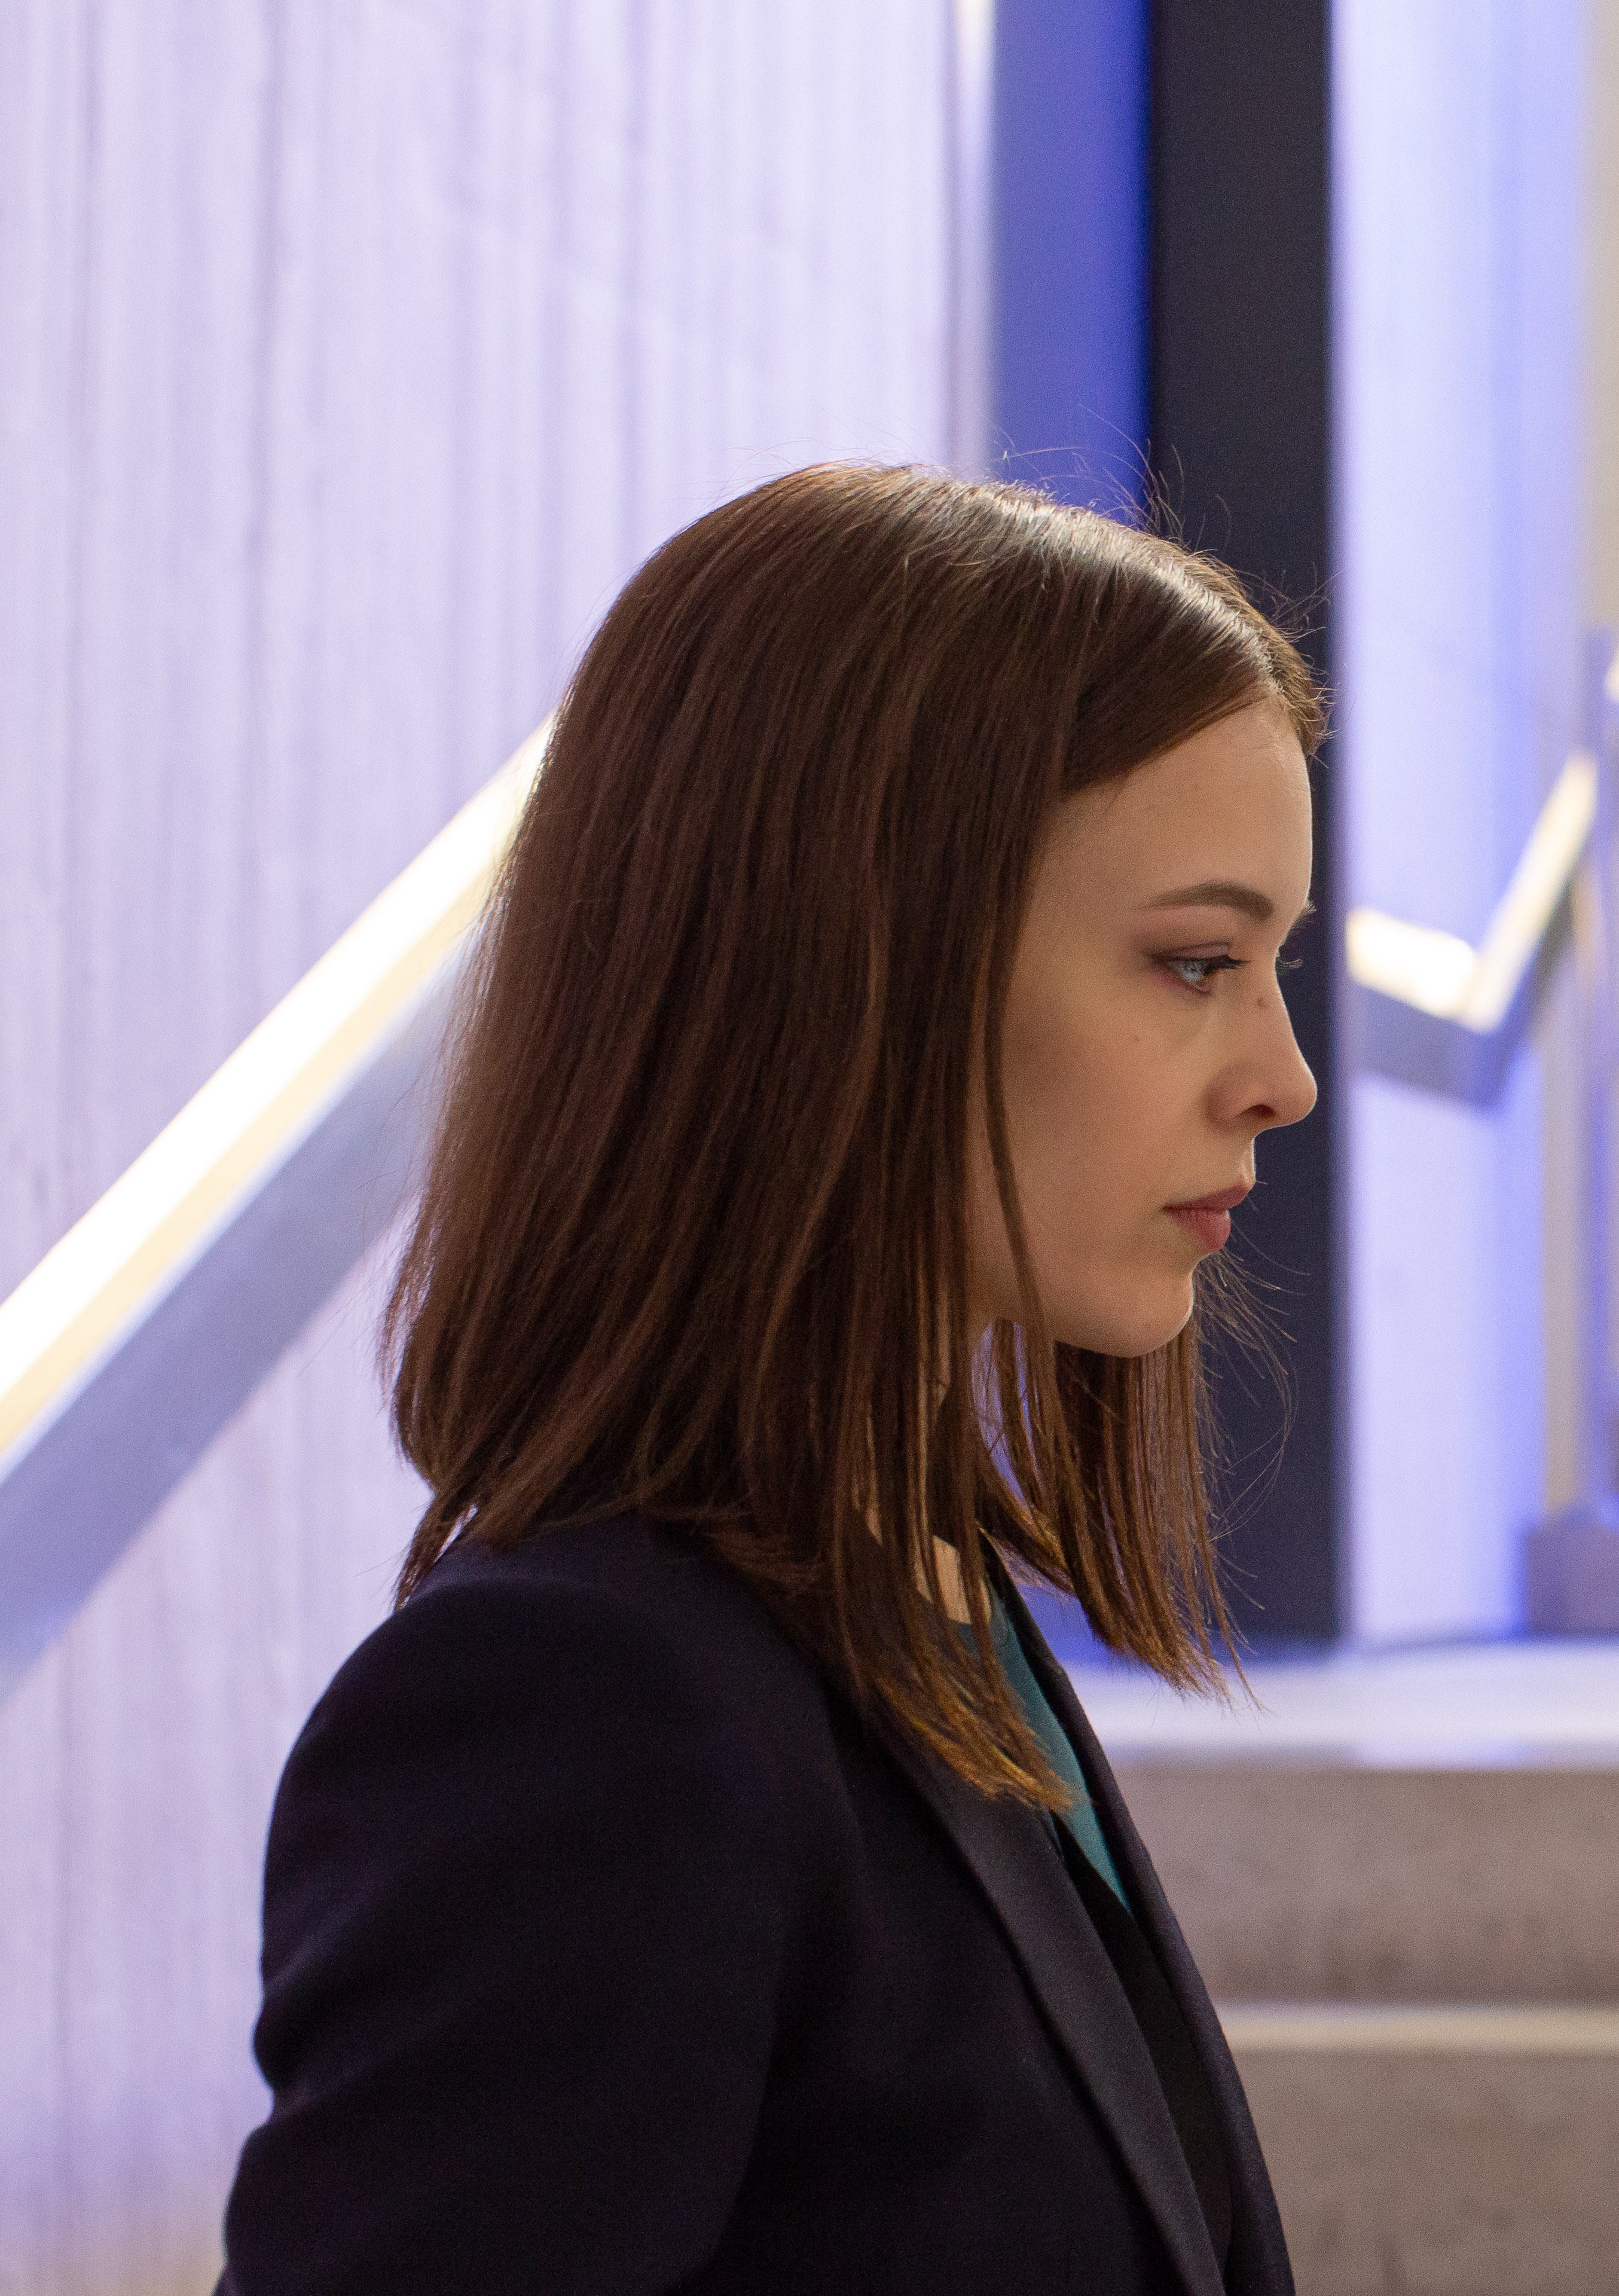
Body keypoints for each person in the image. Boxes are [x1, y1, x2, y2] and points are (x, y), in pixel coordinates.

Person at [220, 463, 1321, 2294]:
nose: (1281, 1074)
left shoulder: (928, 1604)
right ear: (853, 965)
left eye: (1270, 964)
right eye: (1194, 961)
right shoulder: (585, 1706)